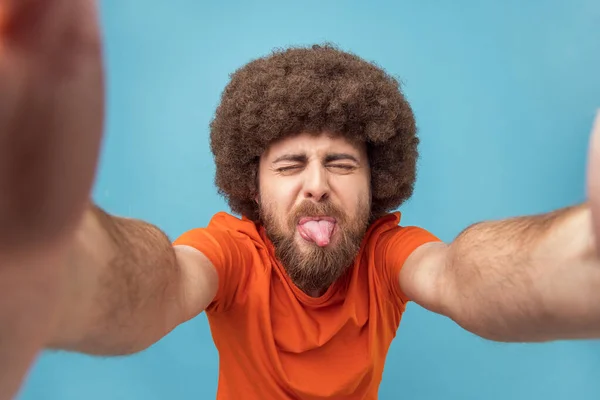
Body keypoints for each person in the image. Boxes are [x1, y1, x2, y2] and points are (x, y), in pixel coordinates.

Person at [1, 1, 599, 399]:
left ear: (376, 183)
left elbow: (461, 274)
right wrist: (47, 256)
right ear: (252, 186)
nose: (317, 184)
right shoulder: (235, 254)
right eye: (290, 165)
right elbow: (159, 281)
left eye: (341, 164)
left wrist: (581, 259)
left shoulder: (384, 254)